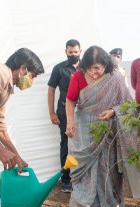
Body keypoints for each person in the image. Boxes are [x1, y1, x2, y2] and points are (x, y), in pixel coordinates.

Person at [65, 46, 140, 207]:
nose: (93, 72)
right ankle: (85, 206)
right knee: (85, 169)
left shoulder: (115, 78)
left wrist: (113, 111)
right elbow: (70, 100)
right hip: (84, 129)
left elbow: (128, 104)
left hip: (108, 129)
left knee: (107, 168)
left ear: (105, 64)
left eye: (97, 68)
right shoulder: (78, 76)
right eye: (89, 68)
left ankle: (108, 205)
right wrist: (70, 122)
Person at [0, 48, 44, 207]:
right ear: (23, 69)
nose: (31, 81)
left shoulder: (7, 87)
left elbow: (0, 126)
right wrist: (0, 151)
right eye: (32, 76)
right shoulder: (0, 74)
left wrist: (16, 155)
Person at [47, 39, 82, 193]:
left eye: (76, 52)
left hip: (83, 112)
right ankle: (66, 179)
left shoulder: (86, 68)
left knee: (84, 145)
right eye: (70, 52)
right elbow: (51, 90)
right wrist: (51, 113)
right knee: (66, 145)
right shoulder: (59, 69)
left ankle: (82, 178)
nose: (73, 55)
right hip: (64, 113)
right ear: (66, 52)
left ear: (80, 51)